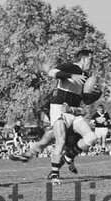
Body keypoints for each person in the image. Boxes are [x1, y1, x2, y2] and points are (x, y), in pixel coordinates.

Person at [10, 49, 99, 183]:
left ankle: (65, 157)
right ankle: (54, 174)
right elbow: (51, 73)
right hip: (59, 110)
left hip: (73, 112)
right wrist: (70, 76)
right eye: (90, 60)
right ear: (83, 59)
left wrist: (95, 95)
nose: (91, 63)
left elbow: (85, 100)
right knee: (60, 140)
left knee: (91, 137)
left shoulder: (85, 75)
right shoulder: (71, 67)